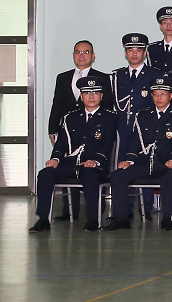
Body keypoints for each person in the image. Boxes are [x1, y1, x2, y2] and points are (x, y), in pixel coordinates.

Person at [30, 76, 114, 233]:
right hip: (72, 163)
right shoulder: (70, 118)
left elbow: (108, 143)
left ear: (101, 96)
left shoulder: (110, 117)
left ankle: (92, 219)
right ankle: (43, 219)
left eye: (95, 93)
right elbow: (61, 143)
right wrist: (55, 158)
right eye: (87, 93)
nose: (91, 96)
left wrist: (96, 160)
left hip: (95, 165)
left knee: (90, 175)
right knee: (45, 174)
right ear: (81, 96)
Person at [107, 76, 172, 231]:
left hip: (165, 162)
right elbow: (136, 141)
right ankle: (121, 218)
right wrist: (129, 160)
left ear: (171, 95)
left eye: (163, 94)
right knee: (118, 175)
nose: (159, 98)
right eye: (155, 94)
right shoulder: (143, 115)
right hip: (144, 163)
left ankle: (167, 218)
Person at [49, 40, 114, 145]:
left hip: (94, 131)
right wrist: (52, 129)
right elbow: (57, 105)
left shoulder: (102, 78)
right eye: (78, 52)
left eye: (86, 52)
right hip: (68, 131)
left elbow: (107, 106)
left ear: (93, 56)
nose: (81, 55)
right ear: (73, 55)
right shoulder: (62, 77)